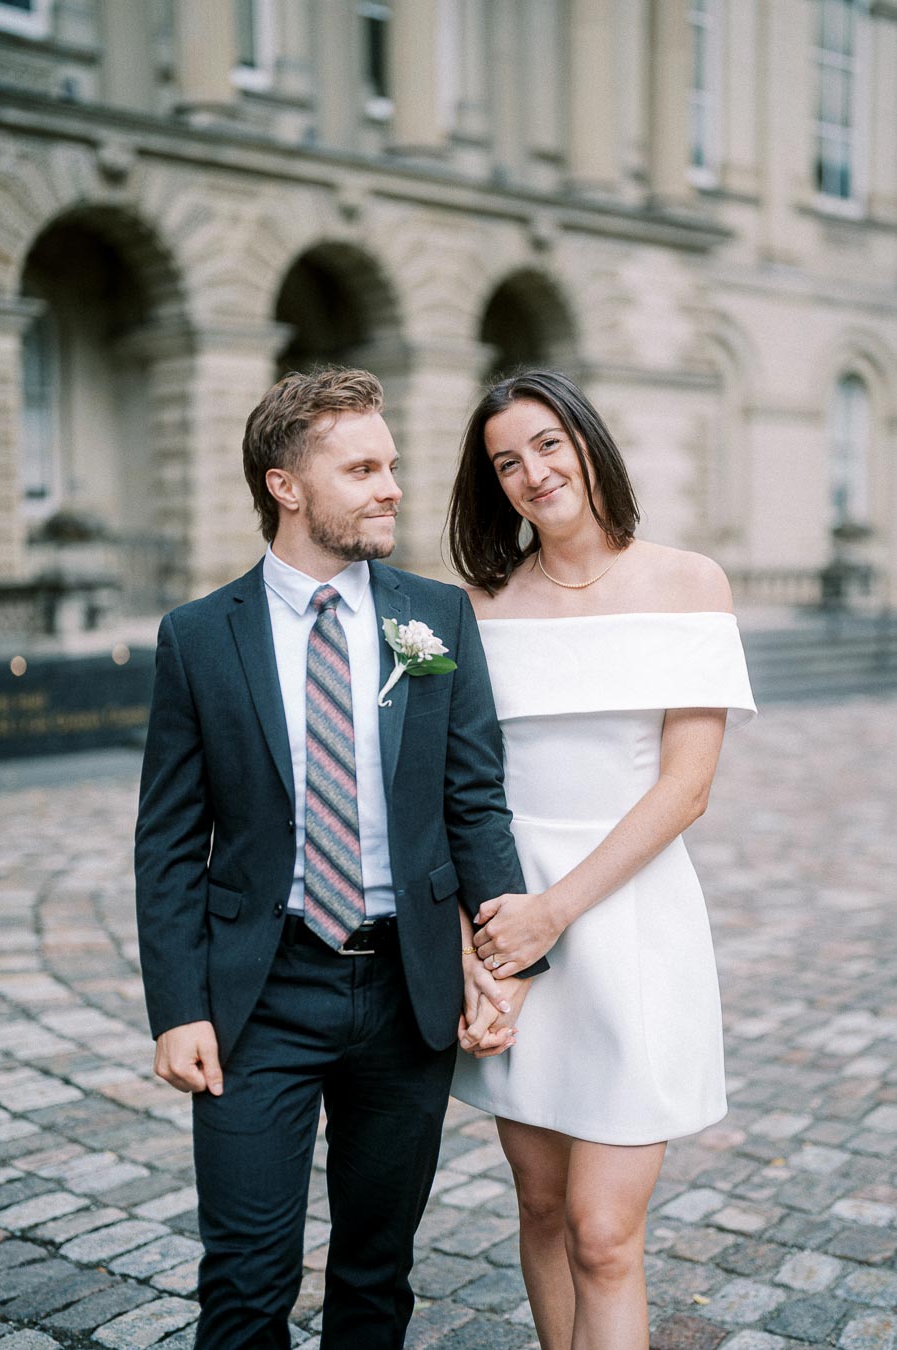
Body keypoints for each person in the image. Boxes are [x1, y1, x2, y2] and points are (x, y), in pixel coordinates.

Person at [134, 366, 545, 1350]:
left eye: (392, 464)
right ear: (287, 486)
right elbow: (167, 839)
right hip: (259, 994)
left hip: (408, 997)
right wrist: (179, 1006)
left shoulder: (432, 620)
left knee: (376, 1271)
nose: (393, 487)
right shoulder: (198, 638)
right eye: (362, 469)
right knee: (243, 1280)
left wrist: (504, 956)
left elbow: (472, 794)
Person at [447, 369, 756, 1350]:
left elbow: (686, 789)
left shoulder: (688, 581)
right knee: (540, 1208)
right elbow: (454, 790)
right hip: (511, 928)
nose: (532, 473)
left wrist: (556, 912)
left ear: (587, 441)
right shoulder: (476, 605)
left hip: (629, 926)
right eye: (506, 462)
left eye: (546, 444)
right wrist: (484, 942)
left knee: (605, 1232)